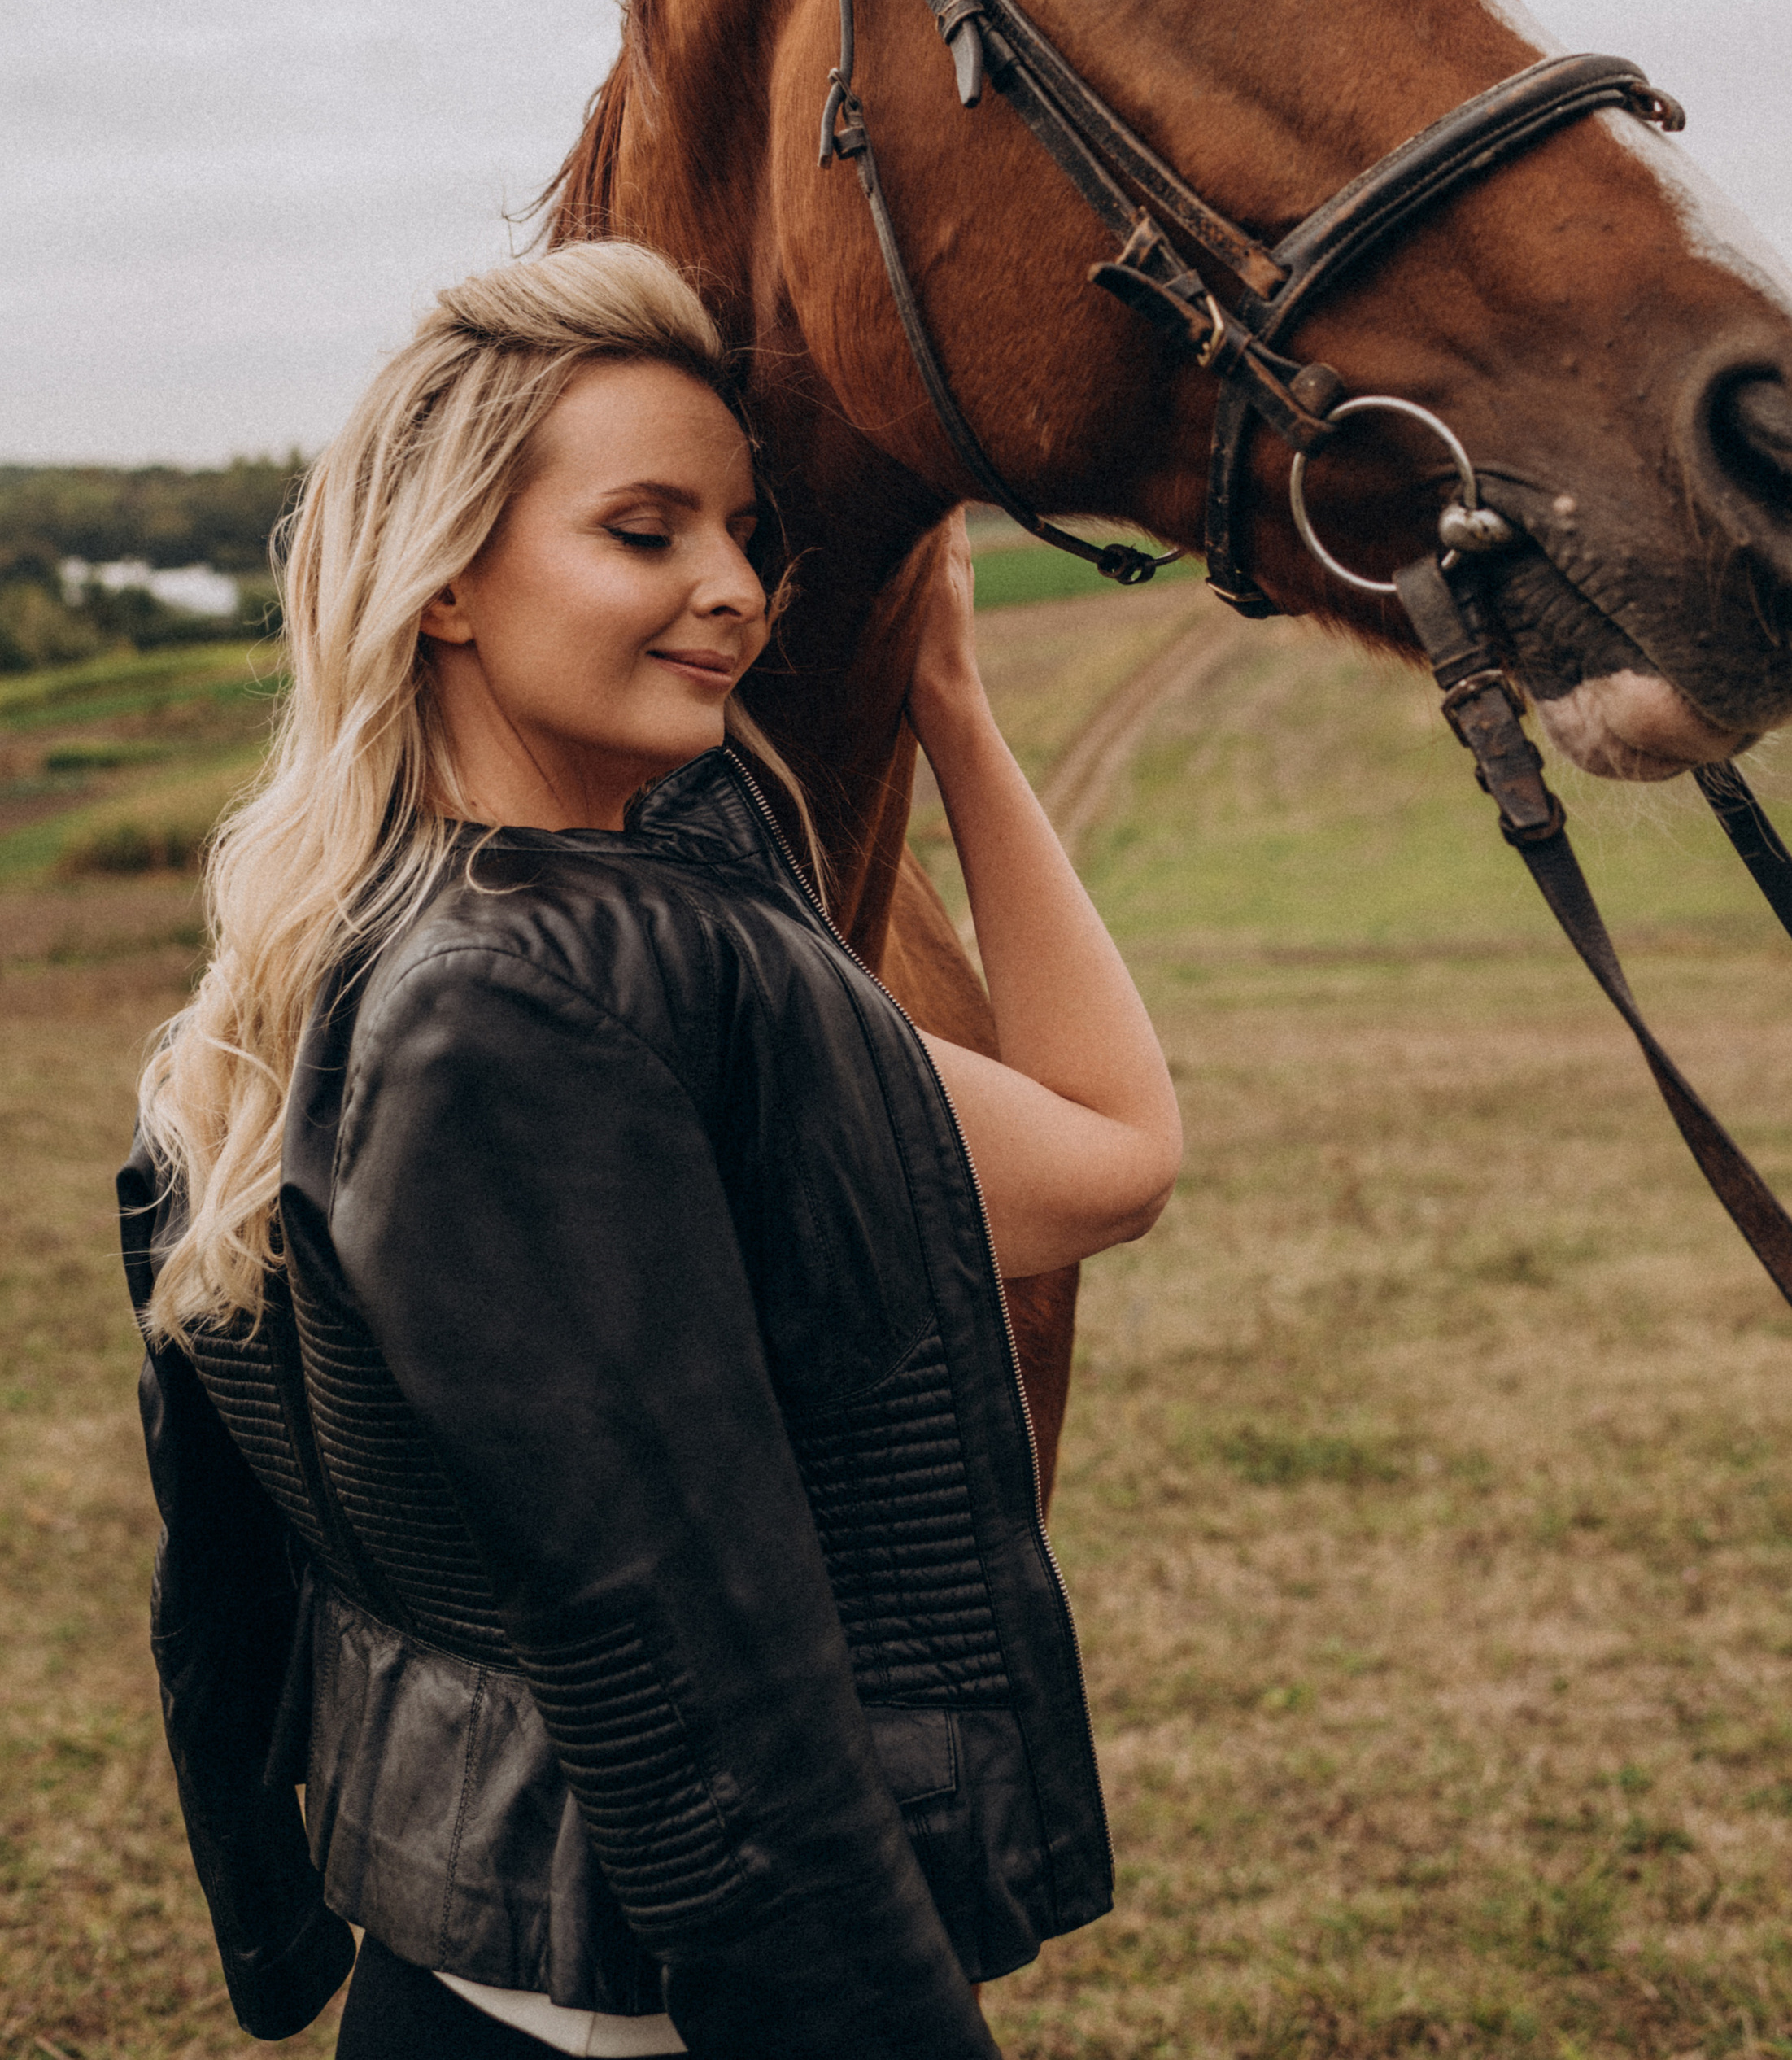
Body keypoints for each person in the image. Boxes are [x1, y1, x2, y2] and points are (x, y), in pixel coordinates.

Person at [120, 242, 1182, 2058]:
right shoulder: (569, 999)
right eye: (644, 531)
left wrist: (948, 714)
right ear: (446, 578)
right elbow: (708, 1677)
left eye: (743, 534)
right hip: (647, 2008)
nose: (735, 591)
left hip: (462, 1960)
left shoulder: (331, 960)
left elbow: (1099, 1159)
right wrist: (964, 719)